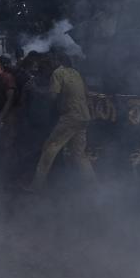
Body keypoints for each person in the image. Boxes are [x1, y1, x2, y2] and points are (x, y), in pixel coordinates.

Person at [28, 53, 95, 191]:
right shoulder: (75, 72)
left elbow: (52, 96)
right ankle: (94, 187)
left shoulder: (57, 73)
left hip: (70, 117)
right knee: (79, 154)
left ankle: (36, 186)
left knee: (49, 148)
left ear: (53, 64)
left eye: (45, 67)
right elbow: (86, 93)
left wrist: (36, 90)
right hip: (84, 116)